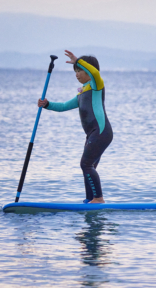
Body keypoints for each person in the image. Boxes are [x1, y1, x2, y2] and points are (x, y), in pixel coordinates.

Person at [38, 50, 113, 204]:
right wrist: (47, 104)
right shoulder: (81, 94)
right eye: (76, 71)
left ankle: (98, 199)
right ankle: (90, 199)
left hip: (101, 131)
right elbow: (63, 106)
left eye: (80, 70)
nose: (77, 74)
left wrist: (77, 60)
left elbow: (94, 72)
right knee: (88, 167)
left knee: (85, 164)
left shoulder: (96, 85)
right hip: (93, 134)